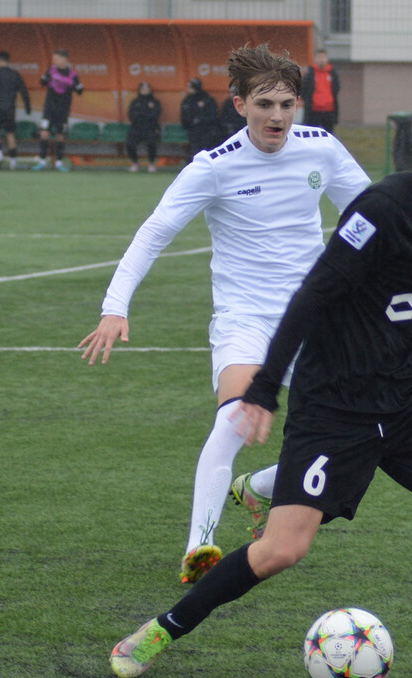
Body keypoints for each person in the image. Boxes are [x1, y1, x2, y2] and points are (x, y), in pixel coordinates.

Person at [107, 88, 412, 678]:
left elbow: (400, 314)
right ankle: (158, 631)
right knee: (282, 550)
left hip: (403, 398)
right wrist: (264, 389)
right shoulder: (381, 209)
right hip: (335, 405)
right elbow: (315, 295)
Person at [78, 44, 371, 585]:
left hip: (315, 320)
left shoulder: (321, 149)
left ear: (299, 104)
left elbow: (372, 209)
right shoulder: (213, 167)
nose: (276, 116)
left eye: (286, 104)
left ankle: (258, 488)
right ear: (240, 105)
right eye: (264, 104)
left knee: (357, 440)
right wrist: (114, 307)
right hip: (247, 321)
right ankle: (201, 545)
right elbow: (155, 231)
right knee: (233, 419)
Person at [0, 50, 32, 171]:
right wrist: (28, 107)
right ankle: (13, 163)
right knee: (10, 134)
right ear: (8, 61)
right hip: (10, 109)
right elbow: (24, 92)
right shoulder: (15, 75)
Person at [33, 49, 83, 172]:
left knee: (61, 135)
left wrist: (77, 86)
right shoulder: (51, 70)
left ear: (64, 59)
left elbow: (80, 91)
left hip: (63, 109)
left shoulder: (72, 75)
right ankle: (42, 161)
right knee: (44, 133)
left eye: (56, 59)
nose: (54, 61)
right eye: (53, 59)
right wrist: (45, 78)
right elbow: (42, 82)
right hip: (49, 107)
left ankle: (59, 162)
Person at [179, 78, 221, 158]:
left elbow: (212, 115)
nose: (188, 89)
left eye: (191, 87)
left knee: (205, 149)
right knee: (194, 149)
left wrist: (201, 120)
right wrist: (189, 123)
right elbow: (184, 114)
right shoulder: (187, 100)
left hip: (206, 130)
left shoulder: (207, 99)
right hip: (192, 130)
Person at [300, 49, 339, 133]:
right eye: (319, 57)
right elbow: (304, 89)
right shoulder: (310, 73)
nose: (321, 60)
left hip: (329, 111)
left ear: (327, 59)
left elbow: (336, 88)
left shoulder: (332, 73)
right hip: (313, 111)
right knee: (312, 134)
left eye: (323, 57)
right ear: (315, 59)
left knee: (328, 135)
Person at [126, 80, 161, 173]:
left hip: (151, 128)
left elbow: (155, 114)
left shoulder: (154, 102)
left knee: (151, 143)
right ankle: (135, 163)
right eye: (143, 88)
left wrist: (143, 115)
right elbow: (131, 115)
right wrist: (143, 115)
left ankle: (151, 163)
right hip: (136, 128)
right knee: (130, 144)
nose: (145, 90)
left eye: (147, 88)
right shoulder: (135, 102)